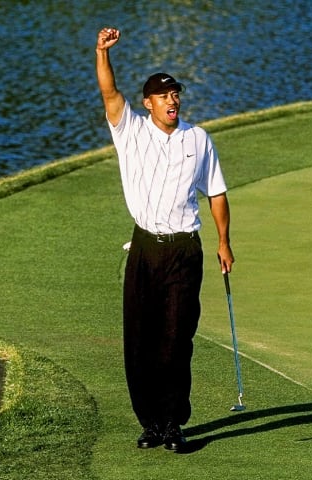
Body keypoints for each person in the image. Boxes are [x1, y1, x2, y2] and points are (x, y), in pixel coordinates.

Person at [95, 27, 234, 451]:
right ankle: (151, 424)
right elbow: (108, 92)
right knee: (139, 340)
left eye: (176, 94)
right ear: (148, 103)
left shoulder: (198, 139)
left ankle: (173, 423)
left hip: (183, 249)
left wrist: (224, 241)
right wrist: (102, 52)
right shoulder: (130, 130)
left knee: (176, 338)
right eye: (163, 95)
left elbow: (216, 193)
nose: (172, 100)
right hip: (143, 249)